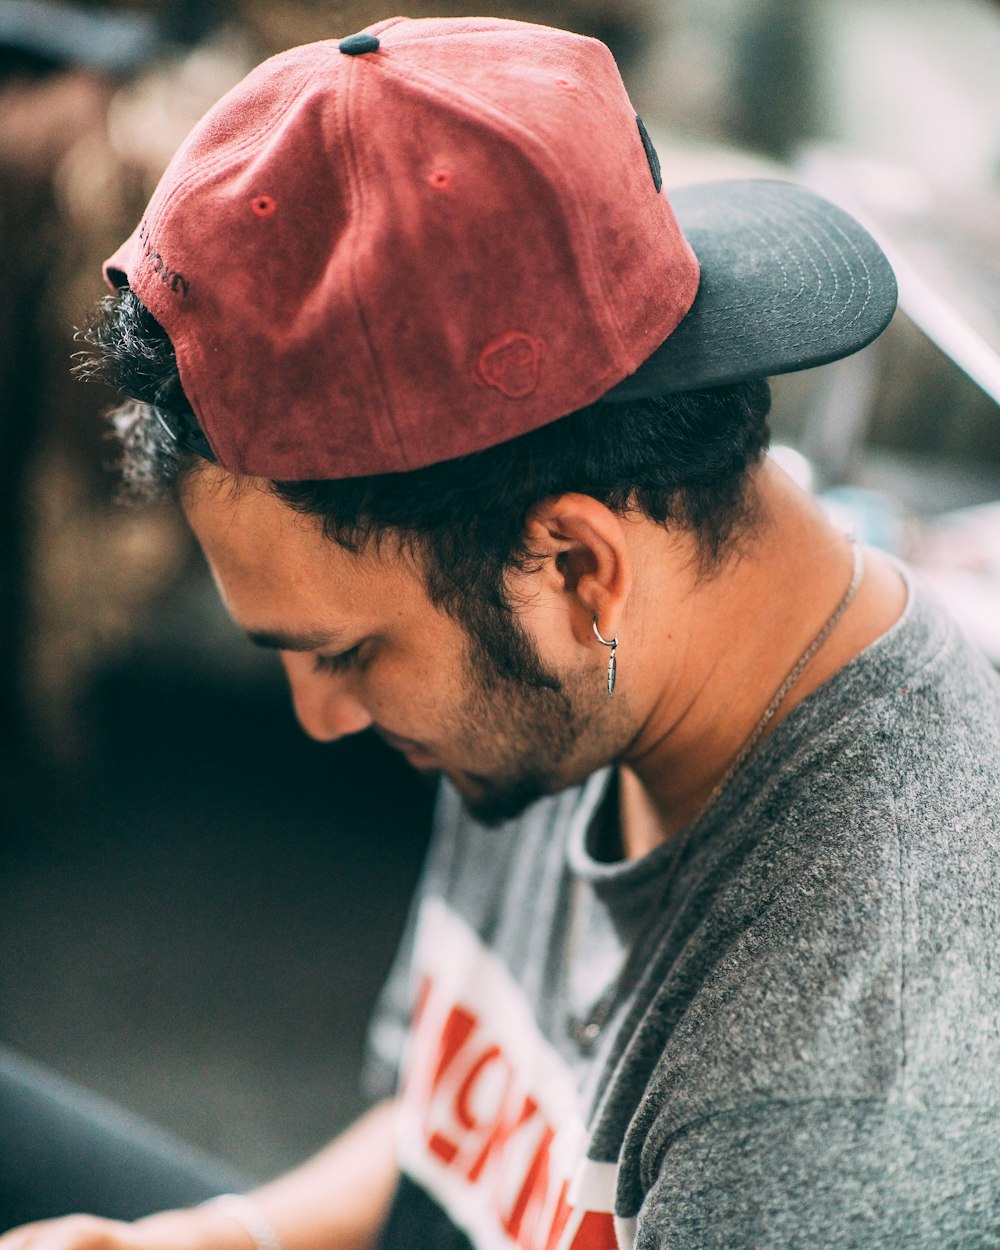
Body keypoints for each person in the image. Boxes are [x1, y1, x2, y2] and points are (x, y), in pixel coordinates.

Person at [4, 14, 1000, 1250]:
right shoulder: (588, 654)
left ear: (580, 566)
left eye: (348, 654)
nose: (324, 718)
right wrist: (225, 1233)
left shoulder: (833, 1105)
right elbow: (462, 1138)